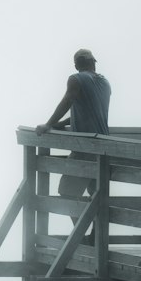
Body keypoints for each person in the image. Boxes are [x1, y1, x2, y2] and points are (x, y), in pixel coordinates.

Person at [36, 49, 111, 197]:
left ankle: (80, 222)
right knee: (96, 199)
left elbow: (67, 100)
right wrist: (63, 122)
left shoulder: (75, 79)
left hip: (84, 148)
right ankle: (88, 221)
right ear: (93, 62)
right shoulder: (105, 83)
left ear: (77, 65)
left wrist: (49, 124)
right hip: (103, 148)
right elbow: (92, 112)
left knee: (67, 192)